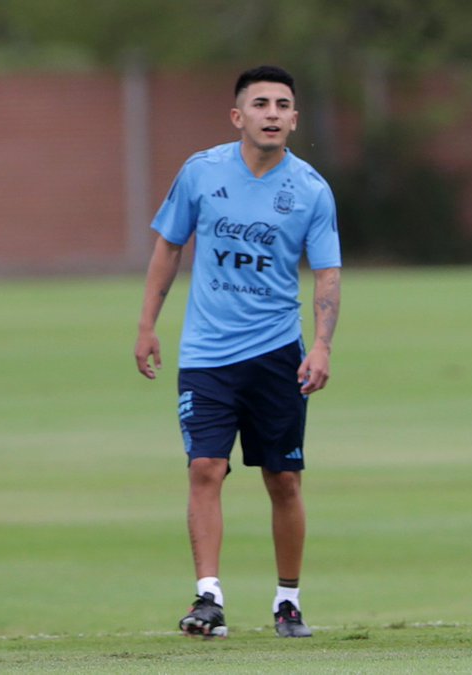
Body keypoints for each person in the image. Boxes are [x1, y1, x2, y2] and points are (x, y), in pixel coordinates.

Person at [134, 65, 341, 639]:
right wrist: (147, 325)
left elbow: (326, 274)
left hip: (278, 352)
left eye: (282, 105)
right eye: (261, 104)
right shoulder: (201, 174)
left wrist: (321, 346)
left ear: (295, 119)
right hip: (206, 353)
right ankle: (208, 598)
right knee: (206, 466)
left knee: (283, 479)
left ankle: (288, 600)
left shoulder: (310, 190)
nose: (272, 113)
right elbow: (168, 246)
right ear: (238, 116)